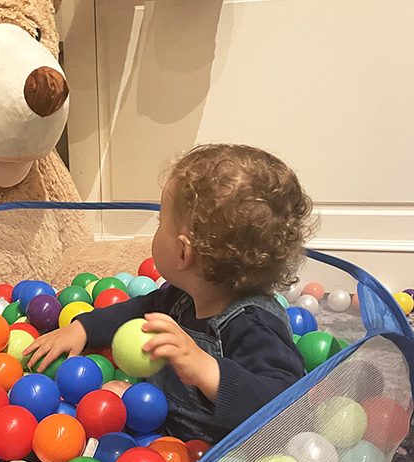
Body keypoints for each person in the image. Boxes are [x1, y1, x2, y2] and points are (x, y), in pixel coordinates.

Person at [25, 144, 314, 444]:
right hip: (157, 434)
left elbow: (288, 404)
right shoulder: (179, 299)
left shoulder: (255, 324)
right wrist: (82, 328)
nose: (157, 228)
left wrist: (206, 368)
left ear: (182, 252)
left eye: (161, 222)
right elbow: (135, 311)